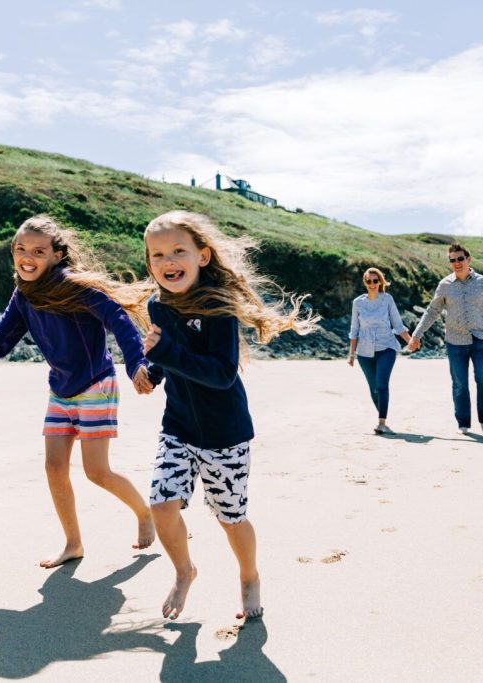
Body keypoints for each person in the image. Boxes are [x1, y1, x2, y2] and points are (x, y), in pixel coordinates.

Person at [140, 210, 319, 621]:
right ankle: (185, 571)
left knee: (230, 517)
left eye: (178, 251)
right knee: (161, 505)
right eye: (157, 255)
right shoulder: (159, 306)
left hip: (225, 435)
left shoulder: (218, 308)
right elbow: (172, 360)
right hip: (179, 427)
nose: (168, 261)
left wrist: (164, 354)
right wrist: (152, 371)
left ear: (202, 256)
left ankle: (249, 575)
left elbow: (220, 374)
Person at [0, 215, 156, 568]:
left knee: (97, 472)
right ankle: (73, 544)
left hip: (96, 384)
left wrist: (136, 363)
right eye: (20, 249)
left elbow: (117, 319)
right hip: (60, 389)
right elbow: (0, 339)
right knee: (54, 467)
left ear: (57, 255)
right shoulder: (24, 294)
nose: (27, 257)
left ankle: (145, 513)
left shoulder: (73, 286)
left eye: (38, 251)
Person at [407, 243, 483, 435]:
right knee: (460, 384)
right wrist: (416, 335)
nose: (457, 263)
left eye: (460, 259)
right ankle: (463, 423)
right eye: (452, 260)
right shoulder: (445, 285)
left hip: (480, 340)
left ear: (468, 259)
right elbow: (432, 311)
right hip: (455, 342)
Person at [347, 267, 413, 434]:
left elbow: (397, 324)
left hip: (386, 348)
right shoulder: (358, 303)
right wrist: (351, 354)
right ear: (365, 282)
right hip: (364, 352)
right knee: (374, 388)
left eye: (375, 281)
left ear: (380, 282)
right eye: (369, 281)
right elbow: (354, 329)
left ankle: (381, 422)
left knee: (382, 384)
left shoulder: (387, 299)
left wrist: (410, 341)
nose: (372, 284)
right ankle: (382, 416)